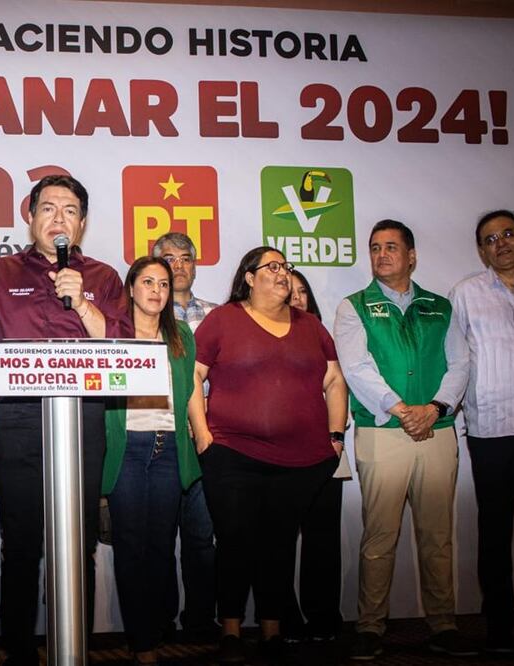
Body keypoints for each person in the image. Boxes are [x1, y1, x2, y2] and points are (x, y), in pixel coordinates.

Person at [0, 174, 132, 664]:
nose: (58, 218)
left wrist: (82, 301)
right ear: (30, 217)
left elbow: (122, 347)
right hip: (21, 421)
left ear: (82, 223)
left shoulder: (104, 276)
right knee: (20, 544)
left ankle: (77, 651)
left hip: (83, 418)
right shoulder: (0, 272)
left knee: (80, 544)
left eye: (69, 210)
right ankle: (21, 652)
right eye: (48, 208)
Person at [189, 247, 347, 664]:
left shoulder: (310, 325)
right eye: (273, 267)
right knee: (236, 541)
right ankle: (231, 630)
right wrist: (202, 433)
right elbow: (193, 374)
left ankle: (273, 629)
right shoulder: (223, 319)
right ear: (248, 277)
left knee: (278, 544)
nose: (283, 274)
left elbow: (334, 379)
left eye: (286, 267)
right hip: (232, 454)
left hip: (300, 461)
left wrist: (335, 436)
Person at [334, 219, 473, 660]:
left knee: (437, 536)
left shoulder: (439, 307)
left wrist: (434, 409)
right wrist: (401, 409)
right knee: (379, 537)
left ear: (411, 256)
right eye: (375, 248)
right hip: (382, 433)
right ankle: (371, 627)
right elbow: (356, 369)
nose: (381, 255)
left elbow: (460, 364)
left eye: (391, 247)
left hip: (437, 431)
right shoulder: (354, 306)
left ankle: (443, 624)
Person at [449, 210, 514, 654]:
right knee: (495, 535)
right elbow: (456, 362)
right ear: (481, 250)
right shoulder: (465, 295)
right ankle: (500, 632)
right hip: (492, 430)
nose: (500, 243)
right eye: (489, 239)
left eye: (507, 234)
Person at [102, 256, 198, 665]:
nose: (157, 290)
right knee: (130, 547)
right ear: (131, 288)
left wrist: (203, 434)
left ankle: (153, 631)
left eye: (163, 283)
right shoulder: (110, 335)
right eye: (148, 282)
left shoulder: (182, 338)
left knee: (161, 547)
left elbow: (191, 390)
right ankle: (142, 642)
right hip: (127, 450)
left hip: (168, 449)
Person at [151, 232, 218, 640]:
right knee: (157, 538)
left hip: (206, 437)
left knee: (200, 537)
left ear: (195, 264)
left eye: (185, 257)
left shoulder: (219, 315)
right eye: (168, 258)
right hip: (157, 435)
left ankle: (200, 620)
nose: (178, 265)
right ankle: (158, 621)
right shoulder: (141, 314)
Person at [281, 269, 351, 643]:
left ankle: (324, 616)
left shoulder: (326, 337)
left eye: (302, 291)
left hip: (326, 452)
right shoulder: (268, 336)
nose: (295, 297)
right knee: (279, 541)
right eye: (287, 290)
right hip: (280, 457)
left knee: (323, 541)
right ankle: (286, 618)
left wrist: (335, 440)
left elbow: (340, 390)